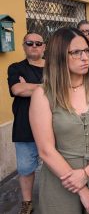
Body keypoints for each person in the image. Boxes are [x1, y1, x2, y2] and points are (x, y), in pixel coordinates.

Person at [29, 27, 89, 213]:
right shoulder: (43, 95)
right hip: (61, 179)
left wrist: (87, 173)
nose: (85, 57)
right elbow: (46, 150)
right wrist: (82, 189)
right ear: (59, 56)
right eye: (76, 52)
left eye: (87, 51)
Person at [7, 33, 45, 214]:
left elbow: (64, 89)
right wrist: (47, 87)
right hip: (25, 127)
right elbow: (17, 89)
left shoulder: (54, 67)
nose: (34, 46)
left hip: (52, 127)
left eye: (38, 43)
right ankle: (27, 203)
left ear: (44, 47)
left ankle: (53, 200)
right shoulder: (15, 68)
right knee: (25, 169)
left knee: (54, 168)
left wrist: (30, 86)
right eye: (30, 43)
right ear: (24, 46)